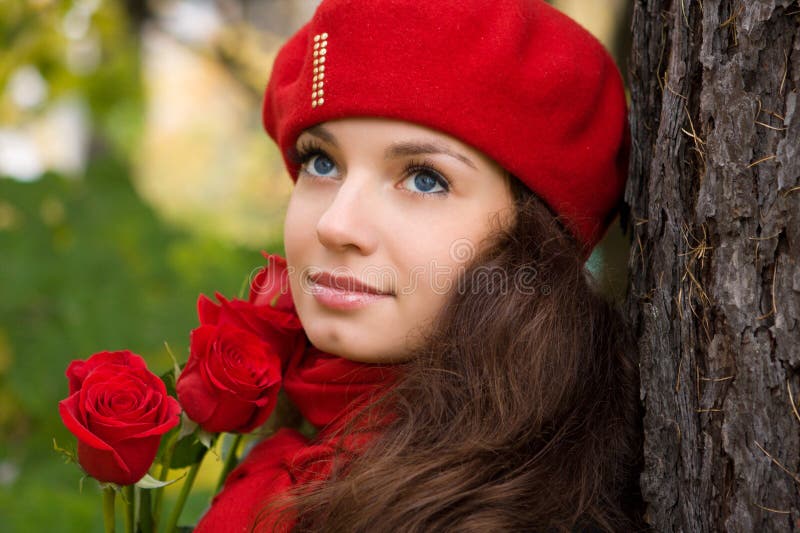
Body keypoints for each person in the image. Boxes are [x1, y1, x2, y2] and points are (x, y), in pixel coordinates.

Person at [194, 0, 643, 531]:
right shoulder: (284, 459)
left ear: (532, 241)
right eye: (322, 162)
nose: (336, 225)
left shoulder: (526, 513)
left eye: (425, 179)